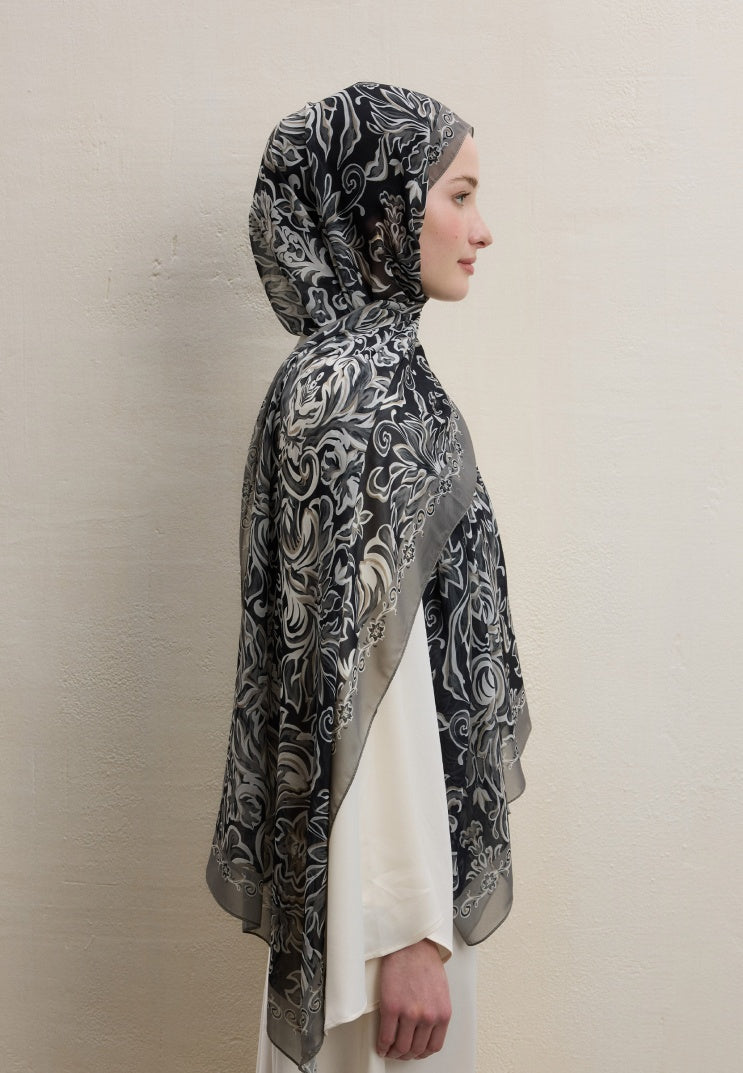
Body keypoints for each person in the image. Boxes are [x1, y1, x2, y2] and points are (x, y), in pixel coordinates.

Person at [206, 82, 530, 1073]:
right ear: (380, 208)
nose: (481, 229)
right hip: (377, 921)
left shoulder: (357, 376)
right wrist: (410, 930)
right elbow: (369, 683)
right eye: (459, 195)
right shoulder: (357, 394)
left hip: (371, 889)